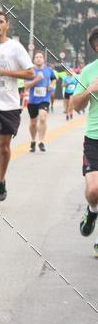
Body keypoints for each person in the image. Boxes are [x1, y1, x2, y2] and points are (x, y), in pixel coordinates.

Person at [0, 12, 34, 201]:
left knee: (3, 147)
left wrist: (3, 72)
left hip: (9, 105)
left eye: (0, 22)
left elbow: (30, 73)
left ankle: (1, 180)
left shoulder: (15, 47)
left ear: (7, 25)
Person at [73, 27, 98, 257]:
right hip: (94, 139)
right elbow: (76, 105)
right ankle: (92, 211)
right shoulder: (89, 71)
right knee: (93, 190)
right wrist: (90, 90)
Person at [25, 51, 56, 152]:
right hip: (33, 100)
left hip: (44, 99)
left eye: (40, 57)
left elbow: (54, 79)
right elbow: (26, 86)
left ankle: (41, 141)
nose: (38, 58)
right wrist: (36, 79)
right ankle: (33, 140)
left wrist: (51, 85)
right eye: (37, 57)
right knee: (33, 123)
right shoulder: (30, 71)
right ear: (34, 59)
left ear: (43, 59)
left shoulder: (49, 70)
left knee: (43, 118)